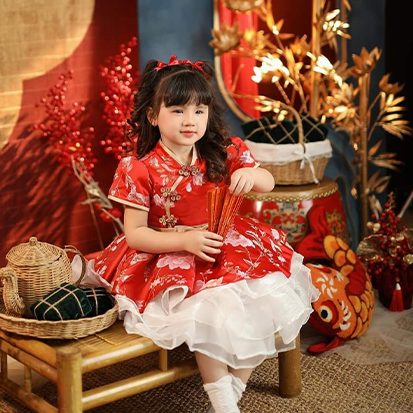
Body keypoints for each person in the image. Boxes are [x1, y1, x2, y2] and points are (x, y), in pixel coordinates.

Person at [93, 55, 319, 413]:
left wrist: (250, 176)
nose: (190, 120)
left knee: (265, 300)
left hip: (224, 244)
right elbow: (135, 235)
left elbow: (266, 181)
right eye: (178, 110)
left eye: (199, 111)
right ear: (153, 116)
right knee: (206, 311)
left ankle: (231, 395)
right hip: (168, 250)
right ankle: (222, 400)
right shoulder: (138, 168)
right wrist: (185, 240)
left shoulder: (222, 152)